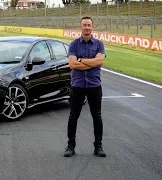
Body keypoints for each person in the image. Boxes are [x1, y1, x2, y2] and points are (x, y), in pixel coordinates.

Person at [64, 16, 106, 157]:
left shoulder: (99, 44)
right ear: (80, 27)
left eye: (89, 25)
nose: (87, 27)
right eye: (84, 25)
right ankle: (70, 146)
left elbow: (100, 62)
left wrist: (81, 60)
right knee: (73, 116)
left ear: (92, 27)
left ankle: (98, 146)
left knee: (97, 116)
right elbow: (72, 64)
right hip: (77, 85)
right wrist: (91, 62)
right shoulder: (74, 44)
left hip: (94, 85)